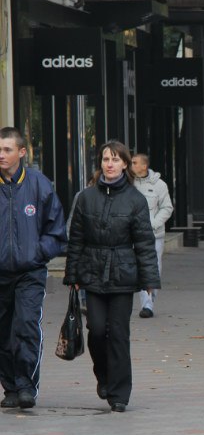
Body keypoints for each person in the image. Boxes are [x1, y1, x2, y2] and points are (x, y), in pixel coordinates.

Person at [65, 140, 160, 413]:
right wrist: (72, 275)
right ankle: (103, 377)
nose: (110, 164)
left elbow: (144, 242)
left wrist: (149, 281)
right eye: (106, 159)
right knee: (96, 330)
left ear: (125, 165)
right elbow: (76, 240)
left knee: (118, 333)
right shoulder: (85, 198)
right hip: (92, 272)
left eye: (115, 160)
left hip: (123, 274)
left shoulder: (135, 200)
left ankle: (119, 393)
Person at [0, 127, 67, 410]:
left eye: (7, 149)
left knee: (26, 325)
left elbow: (57, 231)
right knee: (3, 331)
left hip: (30, 272)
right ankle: (11, 387)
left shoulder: (39, 185)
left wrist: (38, 253)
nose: (1, 155)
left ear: (22, 152)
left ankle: (27, 385)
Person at [131, 153, 174, 317]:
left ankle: (151, 298)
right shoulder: (129, 184)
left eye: (135, 163)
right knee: (140, 268)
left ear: (144, 166)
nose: (131, 165)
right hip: (134, 235)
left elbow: (167, 207)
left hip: (154, 235)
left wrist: (153, 224)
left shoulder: (159, 185)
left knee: (154, 269)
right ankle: (147, 305)